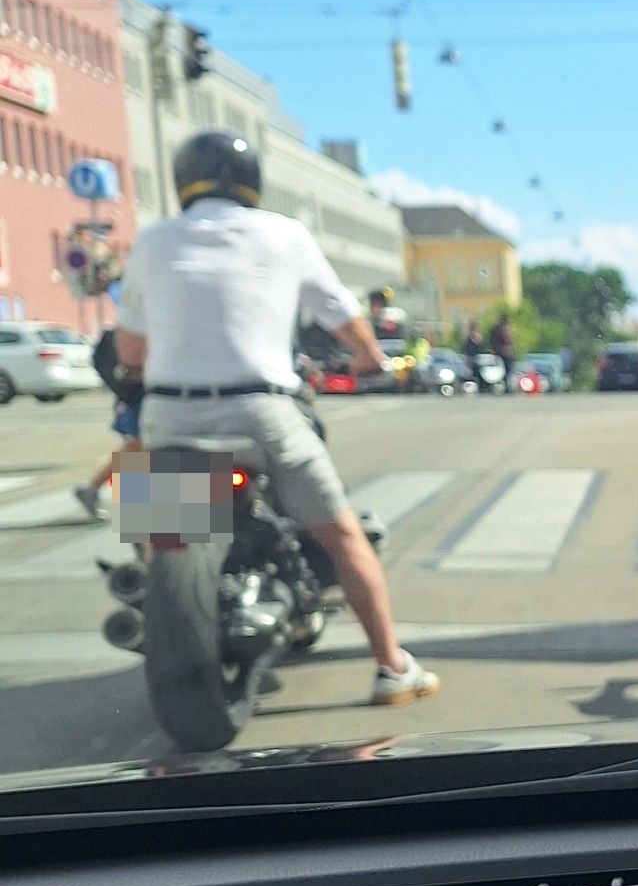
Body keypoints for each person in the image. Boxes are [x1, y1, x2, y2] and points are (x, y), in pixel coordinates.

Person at [113, 129, 439, 706]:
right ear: (253, 182)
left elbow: (130, 350)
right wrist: (368, 358)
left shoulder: (153, 239)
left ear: (182, 182)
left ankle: (159, 610)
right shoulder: (286, 234)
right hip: (260, 410)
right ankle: (393, 667)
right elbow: (344, 317)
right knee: (342, 535)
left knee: (164, 538)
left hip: (172, 413)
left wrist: (138, 372)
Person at [74, 324, 142, 523]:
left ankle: (92, 488)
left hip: (140, 397)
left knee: (138, 450)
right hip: (145, 397)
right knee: (140, 449)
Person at [489, 313, 516, 381]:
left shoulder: (495, 329)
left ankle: (505, 382)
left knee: (503, 370)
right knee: (507, 370)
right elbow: (507, 340)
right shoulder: (504, 329)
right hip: (505, 353)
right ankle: (506, 383)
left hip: (498, 352)